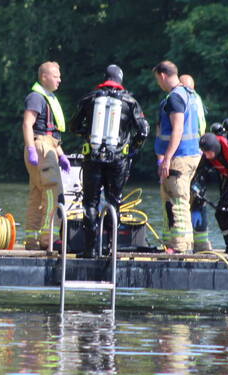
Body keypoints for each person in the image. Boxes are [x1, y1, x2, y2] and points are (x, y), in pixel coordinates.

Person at [69, 65, 149, 258]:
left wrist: (86, 135)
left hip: (93, 157)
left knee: (90, 202)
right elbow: (143, 130)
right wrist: (131, 149)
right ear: (120, 80)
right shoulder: (130, 101)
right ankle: (110, 249)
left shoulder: (90, 98)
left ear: (104, 78)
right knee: (114, 202)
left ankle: (89, 250)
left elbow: (74, 125)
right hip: (118, 160)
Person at [153, 60, 202, 253]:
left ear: (163, 76)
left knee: (177, 201)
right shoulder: (190, 95)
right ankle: (173, 243)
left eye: (158, 79)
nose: (159, 83)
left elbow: (178, 128)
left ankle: (180, 247)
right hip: (192, 155)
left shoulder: (174, 97)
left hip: (179, 158)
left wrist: (166, 158)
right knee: (176, 199)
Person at [22, 61, 71, 250]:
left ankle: (32, 239)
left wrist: (61, 155)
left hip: (45, 146)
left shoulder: (47, 98)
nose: (60, 79)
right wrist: (31, 149)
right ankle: (48, 238)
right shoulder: (36, 97)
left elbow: (50, 133)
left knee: (37, 193)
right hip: (40, 147)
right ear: (44, 77)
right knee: (53, 192)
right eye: (56, 76)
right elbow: (28, 124)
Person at [179, 73, 212, 252]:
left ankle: (184, 245)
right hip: (199, 155)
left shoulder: (182, 99)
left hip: (186, 155)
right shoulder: (197, 100)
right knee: (198, 199)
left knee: (183, 199)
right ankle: (202, 244)